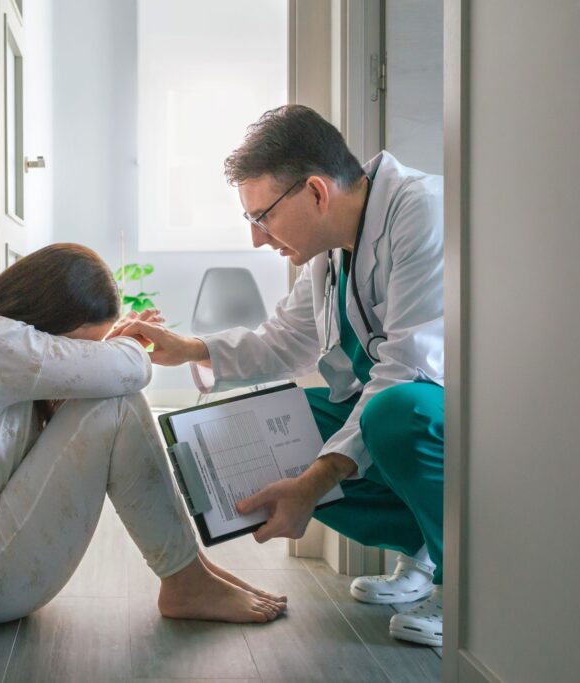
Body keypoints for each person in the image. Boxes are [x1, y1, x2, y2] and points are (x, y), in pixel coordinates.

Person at [114, 105, 445, 646]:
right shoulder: (330, 252)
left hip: (448, 413)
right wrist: (188, 347)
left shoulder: (421, 213)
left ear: (316, 192)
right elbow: (283, 342)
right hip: (398, 413)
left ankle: (465, 587)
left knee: (393, 412)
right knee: (268, 426)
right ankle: (426, 548)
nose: (258, 239)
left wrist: (311, 486)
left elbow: (407, 370)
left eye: (261, 216)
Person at [0, 243, 287, 626]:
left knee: (111, 396)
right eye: (85, 344)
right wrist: (128, 344)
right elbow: (129, 371)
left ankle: (190, 569)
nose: (87, 353)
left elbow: (67, 405)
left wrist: (108, 351)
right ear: (57, 319)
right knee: (115, 401)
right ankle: (185, 579)